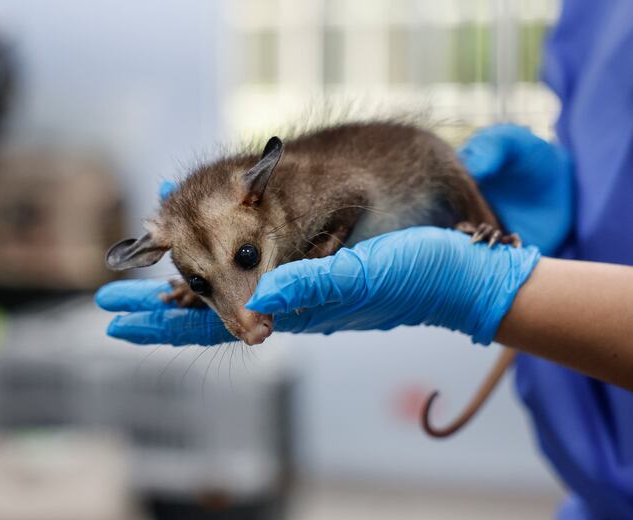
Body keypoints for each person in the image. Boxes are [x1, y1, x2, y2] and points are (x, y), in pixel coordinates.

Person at [96, 1, 633, 516]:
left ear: (257, 197)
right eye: (201, 279)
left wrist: (486, 274)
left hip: (416, 182)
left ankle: (487, 225)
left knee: (438, 160)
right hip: (593, 475)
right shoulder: (591, 16)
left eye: (246, 255)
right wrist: (572, 208)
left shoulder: (296, 196)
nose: (245, 325)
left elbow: (351, 192)